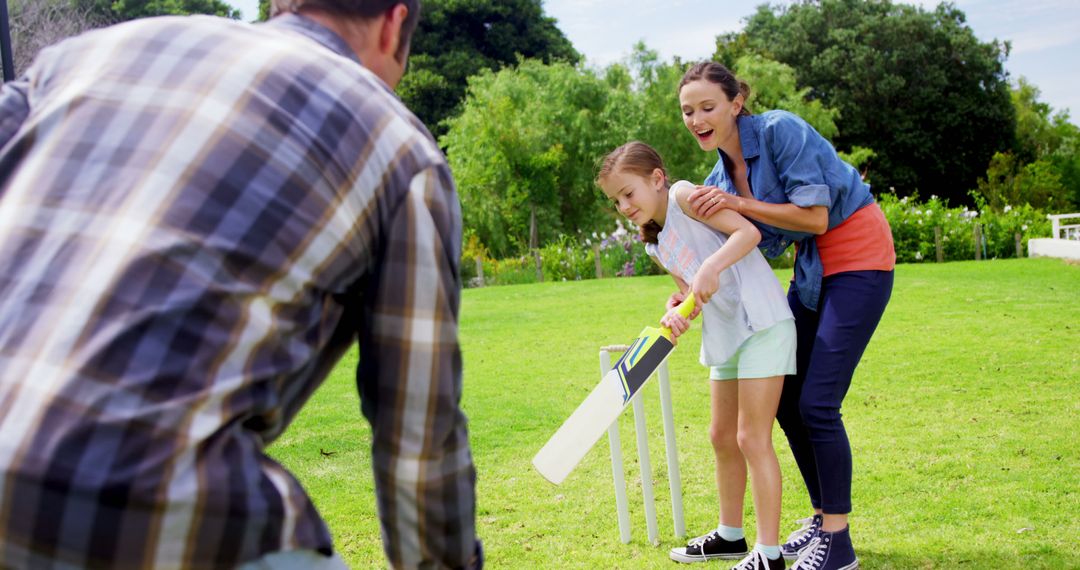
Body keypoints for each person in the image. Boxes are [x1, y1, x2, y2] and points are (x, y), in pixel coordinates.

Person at [0, 1, 483, 568]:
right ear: (394, 23)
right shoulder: (405, 154)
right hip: (157, 513)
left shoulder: (74, 60)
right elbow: (419, 443)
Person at [677, 61, 896, 570]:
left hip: (860, 257)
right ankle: (821, 520)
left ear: (736, 102)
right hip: (814, 271)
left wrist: (737, 202)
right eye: (688, 111)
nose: (697, 118)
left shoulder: (779, 130)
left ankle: (838, 543)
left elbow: (815, 217)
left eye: (708, 106)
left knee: (819, 402)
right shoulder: (716, 176)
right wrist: (687, 289)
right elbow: (735, 248)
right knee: (789, 397)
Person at [597, 142, 795, 570]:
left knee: (750, 438)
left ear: (656, 178)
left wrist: (711, 267)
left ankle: (769, 552)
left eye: (628, 193)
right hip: (725, 335)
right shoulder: (654, 244)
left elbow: (749, 234)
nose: (624, 206)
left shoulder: (686, 196)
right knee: (721, 437)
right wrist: (679, 307)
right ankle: (730, 535)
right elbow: (693, 294)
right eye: (616, 201)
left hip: (761, 322)